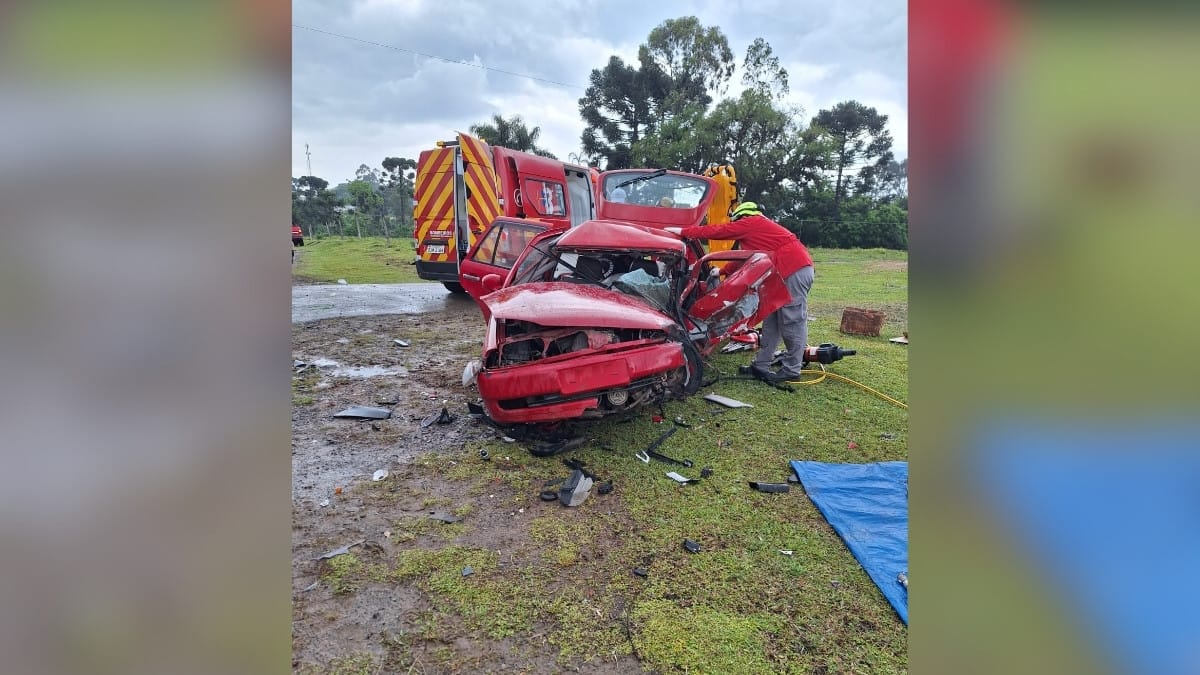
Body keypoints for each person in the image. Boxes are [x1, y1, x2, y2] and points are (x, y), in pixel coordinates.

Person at [665, 202, 814, 383]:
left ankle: (792, 370)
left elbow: (719, 231)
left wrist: (684, 231)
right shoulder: (759, 232)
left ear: (741, 217)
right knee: (772, 322)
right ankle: (761, 365)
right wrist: (720, 271)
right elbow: (744, 258)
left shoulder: (753, 222)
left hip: (792, 269)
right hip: (781, 273)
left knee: (792, 321)